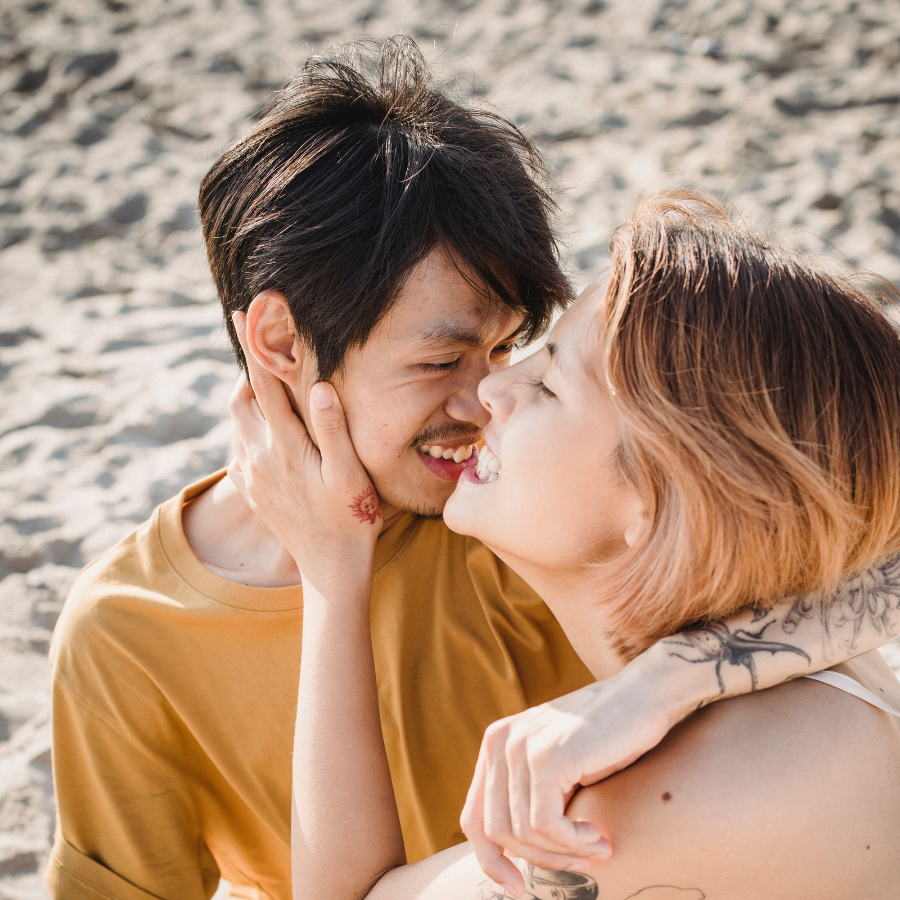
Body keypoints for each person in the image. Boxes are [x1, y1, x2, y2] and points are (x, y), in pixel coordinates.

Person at [46, 37, 900, 900]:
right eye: (440, 360)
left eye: (510, 349)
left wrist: (657, 685)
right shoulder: (126, 632)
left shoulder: (521, 521)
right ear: (278, 345)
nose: (488, 393)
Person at [231, 189, 900, 900]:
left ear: (664, 498)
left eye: (548, 383)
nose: (494, 387)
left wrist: (331, 572)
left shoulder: (633, 817)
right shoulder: (833, 668)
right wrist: (669, 678)